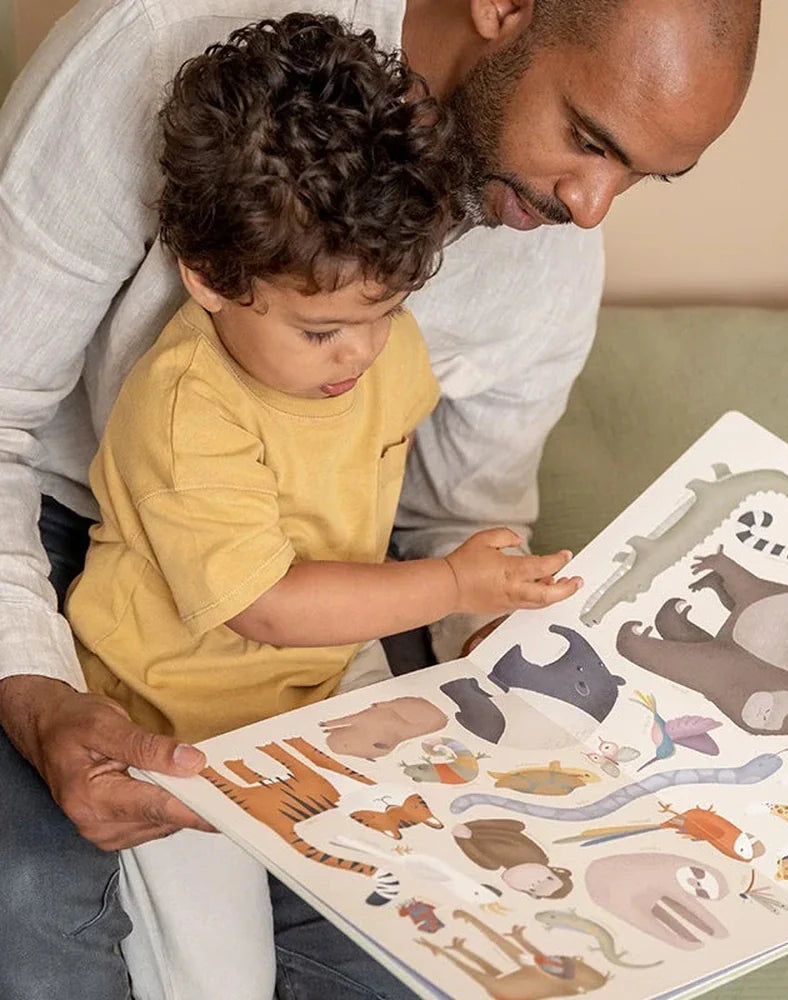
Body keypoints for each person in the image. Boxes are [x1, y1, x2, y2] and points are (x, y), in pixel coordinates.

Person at [0, 0, 761, 997]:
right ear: (504, 8)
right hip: (83, 560)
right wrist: (34, 687)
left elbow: (461, 519)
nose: (592, 207)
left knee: (447, 946)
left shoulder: (545, 253)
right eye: (587, 139)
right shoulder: (156, 46)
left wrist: (518, 656)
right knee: (36, 909)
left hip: (342, 615)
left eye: (645, 176)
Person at [62, 15, 581, 996]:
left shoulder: (383, 348)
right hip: (179, 726)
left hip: (333, 683)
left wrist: (496, 583)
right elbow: (266, 605)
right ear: (211, 279)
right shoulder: (185, 407)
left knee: (455, 908)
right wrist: (447, 582)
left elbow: (449, 510)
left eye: (386, 312)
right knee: (216, 976)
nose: (361, 354)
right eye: (322, 330)